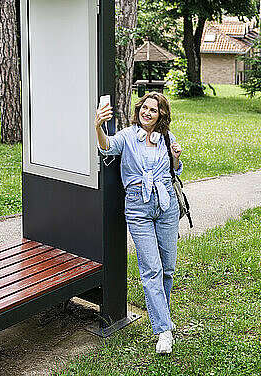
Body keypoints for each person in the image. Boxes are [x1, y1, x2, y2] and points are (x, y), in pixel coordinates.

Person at [94, 92, 182, 354]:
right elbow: (106, 147)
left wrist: (176, 156)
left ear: (161, 115)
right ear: (139, 110)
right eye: (145, 108)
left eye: (154, 110)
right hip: (138, 208)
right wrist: (97, 126)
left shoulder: (167, 138)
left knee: (167, 269)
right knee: (151, 269)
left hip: (166, 205)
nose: (148, 113)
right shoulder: (127, 136)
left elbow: (175, 170)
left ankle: (162, 316)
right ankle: (164, 330)